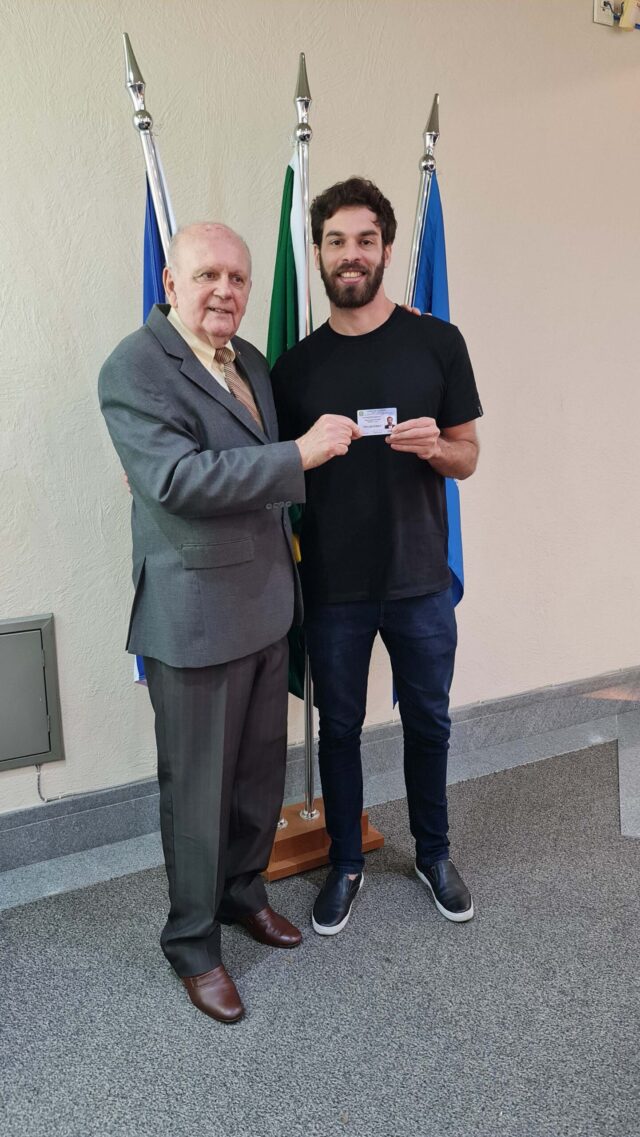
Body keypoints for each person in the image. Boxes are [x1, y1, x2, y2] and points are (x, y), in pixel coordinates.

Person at [98, 222, 359, 1021]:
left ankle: (244, 895)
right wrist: (300, 455)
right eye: (208, 274)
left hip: (265, 606)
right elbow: (177, 480)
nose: (226, 290)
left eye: (238, 278)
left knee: (255, 780)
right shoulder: (135, 366)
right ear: (171, 283)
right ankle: (192, 943)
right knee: (198, 794)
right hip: (194, 619)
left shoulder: (246, 359)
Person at [271, 179, 483, 936]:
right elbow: (271, 470)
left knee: (429, 720)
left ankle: (434, 854)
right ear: (319, 254)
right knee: (338, 729)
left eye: (365, 239)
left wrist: (438, 450)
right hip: (333, 584)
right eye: (336, 241)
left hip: (421, 578)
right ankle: (345, 862)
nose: (351, 254)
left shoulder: (438, 342)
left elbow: (468, 456)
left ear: (387, 249)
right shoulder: (294, 368)